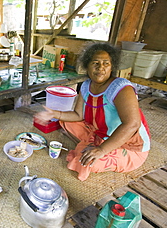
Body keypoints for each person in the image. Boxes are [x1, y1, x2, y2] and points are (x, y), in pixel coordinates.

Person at [34, 42, 150, 181]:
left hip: (129, 145)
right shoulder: (86, 86)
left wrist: (102, 150)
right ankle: (95, 143)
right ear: (86, 66)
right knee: (65, 122)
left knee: (86, 162)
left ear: (112, 66)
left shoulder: (121, 88)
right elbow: (78, 115)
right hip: (103, 132)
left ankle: (98, 147)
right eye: (95, 63)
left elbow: (132, 124)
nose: (100, 68)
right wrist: (54, 114)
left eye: (106, 63)